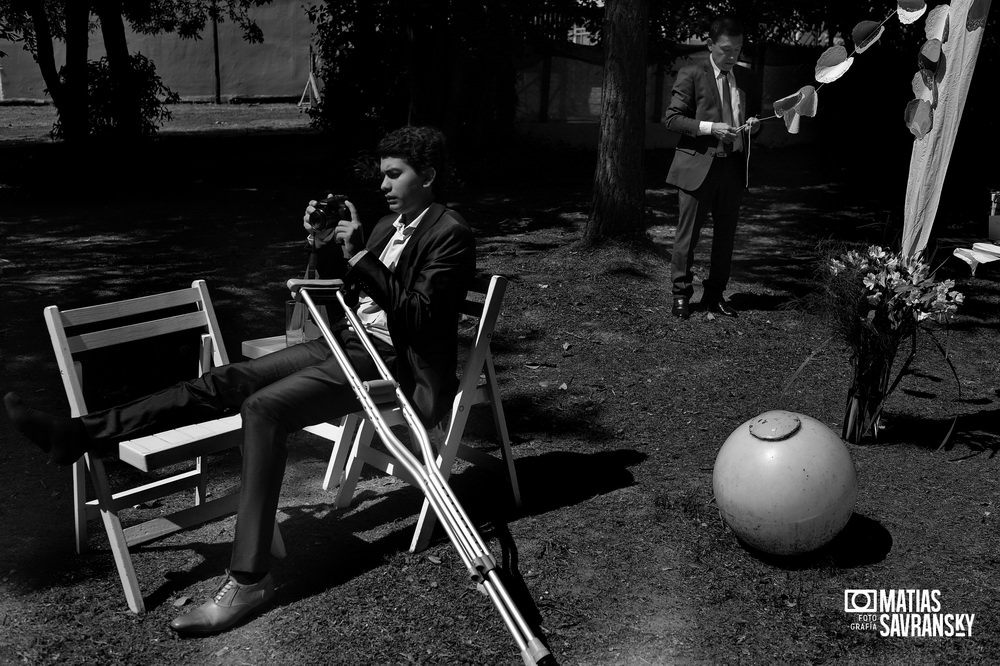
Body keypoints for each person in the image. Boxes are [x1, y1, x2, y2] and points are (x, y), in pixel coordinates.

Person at [3, 125, 475, 635]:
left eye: (394, 174)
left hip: (392, 359)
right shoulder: (388, 223)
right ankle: (79, 434)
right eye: (382, 174)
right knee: (226, 379)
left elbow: (421, 319)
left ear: (426, 175)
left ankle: (249, 578)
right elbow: (336, 288)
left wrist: (360, 256)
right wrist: (320, 244)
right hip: (348, 341)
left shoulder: (450, 232)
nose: (383, 184)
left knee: (264, 408)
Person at [663, 15, 760, 320]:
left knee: (726, 237)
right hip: (698, 168)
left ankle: (715, 295)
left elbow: (751, 123)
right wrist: (710, 128)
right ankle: (681, 296)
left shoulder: (745, 78)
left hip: (732, 169)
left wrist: (753, 127)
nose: (732, 57)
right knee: (687, 236)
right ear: (709, 45)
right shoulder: (691, 73)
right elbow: (672, 118)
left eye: (738, 50)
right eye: (726, 50)